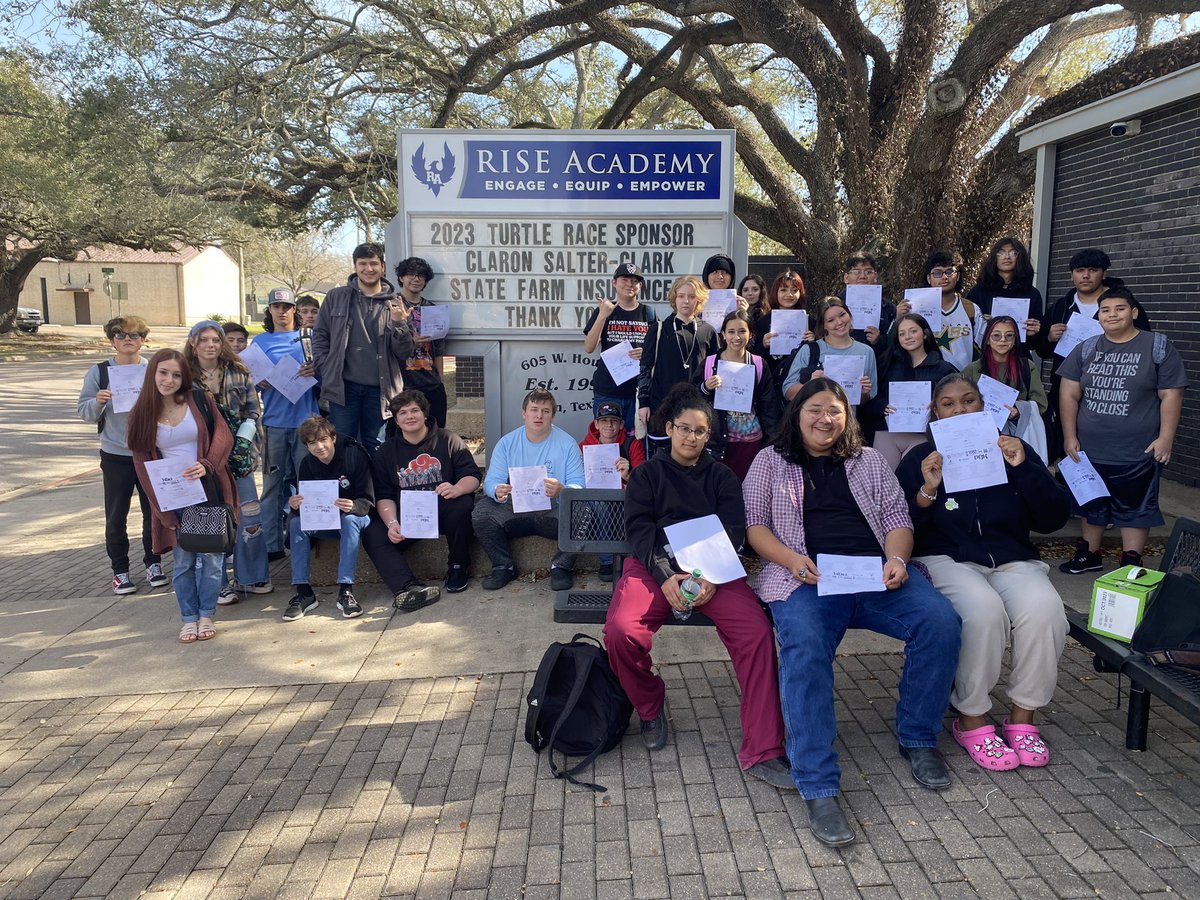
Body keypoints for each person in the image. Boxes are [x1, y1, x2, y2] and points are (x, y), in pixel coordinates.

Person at [743, 379, 961, 847]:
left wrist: (897, 562)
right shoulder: (769, 461)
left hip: (873, 578)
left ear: (848, 417)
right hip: (806, 578)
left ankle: (919, 737)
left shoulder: (868, 462)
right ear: (797, 414)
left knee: (940, 621)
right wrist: (790, 559)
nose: (825, 419)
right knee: (804, 649)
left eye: (835, 411)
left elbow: (898, 521)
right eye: (815, 409)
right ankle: (817, 782)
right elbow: (755, 526)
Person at [603, 384, 790, 788]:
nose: (691, 437)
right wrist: (668, 575)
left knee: (756, 634)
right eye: (684, 428)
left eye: (700, 431)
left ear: (709, 435)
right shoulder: (647, 475)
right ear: (669, 428)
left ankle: (764, 748)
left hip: (713, 572)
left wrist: (703, 578)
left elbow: (734, 531)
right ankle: (650, 707)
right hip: (658, 570)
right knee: (621, 631)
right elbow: (639, 530)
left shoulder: (722, 477)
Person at [896, 374, 1070, 772]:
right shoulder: (921, 457)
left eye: (969, 400)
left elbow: (1053, 517)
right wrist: (927, 490)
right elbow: (900, 528)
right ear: (935, 413)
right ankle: (971, 715)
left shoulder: (1014, 449)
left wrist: (1024, 468)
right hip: (948, 559)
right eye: (948, 404)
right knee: (983, 612)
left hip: (1012, 557)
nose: (960, 409)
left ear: (983, 406)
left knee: (1046, 610)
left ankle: (1023, 718)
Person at [1058, 287, 1187, 574]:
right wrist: (1069, 436)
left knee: (1135, 508)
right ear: (1097, 316)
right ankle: (1090, 554)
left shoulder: (1157, 347)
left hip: (1138, 449)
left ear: (1134, 312)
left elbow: (1171, 395)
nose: (1112, 314)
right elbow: (1068, 394)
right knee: (1092, 503)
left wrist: (1166, 438)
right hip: (1090, 449)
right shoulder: (1087, 348)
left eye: (1119, 308)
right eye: (1105, 310)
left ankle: (1131, 559)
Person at [128, 349, 237, 643]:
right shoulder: (141, 413)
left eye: (176, 374)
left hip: (207, 489)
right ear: (152, 373)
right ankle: (188, 618)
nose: (169, 379)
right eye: (163, 372)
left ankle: (206, 615)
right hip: (173, 497)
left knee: (213, 561)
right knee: (184, 562)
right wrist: (161, 512)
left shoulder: (198, 400)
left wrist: (207, 464)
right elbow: (142, 466)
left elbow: (223, 435)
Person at [364, 390, 481, 610]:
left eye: (414, 410)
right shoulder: (386, 452)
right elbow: (384, 495)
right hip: (408, 518)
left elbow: (473, 477)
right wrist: (392, 523)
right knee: (372, 533)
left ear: (424, 414)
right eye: (403, 413)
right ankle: (408, 587)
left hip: (443, 512)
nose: (409, 416)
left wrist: (457, 488)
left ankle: (458, 566)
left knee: (463, 504)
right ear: (396, 420)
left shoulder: (449, 440)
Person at [1033, 248, 1152, 461]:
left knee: (1104, 449)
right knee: (1068, 446)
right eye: (1080, 270)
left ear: (1104, 273)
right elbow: (1042, 351)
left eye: (1093, 270)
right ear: (1072, 275)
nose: (1085, 276)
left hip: (1110, 388)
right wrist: (1049, 337)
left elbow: (1143, 343)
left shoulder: (1122, 304)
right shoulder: (1061, 306)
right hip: (1066, 387)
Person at [77, 316, 167, 596]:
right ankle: (120, 570)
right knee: (116, 515)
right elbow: (84, 411)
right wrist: (99, 401)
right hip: (115, 454)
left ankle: (153, 563)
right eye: (120, 335)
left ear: (143, 339)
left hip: (149, 451)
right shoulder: (100, 371)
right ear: (111, 340)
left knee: (154, 511)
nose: (127, 340)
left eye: (134, 335)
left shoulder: (153, 369)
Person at [184, 320, 272, 603]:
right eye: (204, 340)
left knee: (250, 516)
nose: (211, 345)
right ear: (193, 343)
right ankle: (218, 583)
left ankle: (252, 575)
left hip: (238, 457)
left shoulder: (238, 372)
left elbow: (253, 412)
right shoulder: (183, 376)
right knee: (213, 519)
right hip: (202, 460)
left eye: (216, 340)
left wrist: (245, 445)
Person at [473, 389, 586, 591]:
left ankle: (561, 566)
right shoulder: (507, 443)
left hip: (553, 511)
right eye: (534, 409)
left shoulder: (567, 444)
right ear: (524, 413)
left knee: (584, 511)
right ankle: (503, 566)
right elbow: (491, 481)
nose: (539, 415)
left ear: (553, 415)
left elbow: (579, 484)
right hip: (515, 509)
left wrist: (562, 489)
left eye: (545, 411)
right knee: (482, 512)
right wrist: (497, 490)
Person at [313, 242, 415, 453]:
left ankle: (375, 488)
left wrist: (398, 323)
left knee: (376, 446)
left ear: (382, 266)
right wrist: (325, 366)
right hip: (343, 388)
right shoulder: (336, 297)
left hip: (380, 392)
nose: (369, 269)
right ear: (355, 266)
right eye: (363, 264)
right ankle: (349, 487)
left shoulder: (396, 303)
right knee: (342, 444)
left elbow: (404, 352)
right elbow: (321, 335)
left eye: (374, 263)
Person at [251, 288, 319, 562]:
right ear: (269, 310)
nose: (282, 311)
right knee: (273, 486)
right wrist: (259, 381)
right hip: (275, 424)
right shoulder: (260, 342)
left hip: (307, 423)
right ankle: (272, 545)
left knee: (309, 484)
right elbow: (250, 381)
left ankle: (310, 538)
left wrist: (317, 371)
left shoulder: (309, 338)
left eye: (287, 306)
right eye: (276, 306)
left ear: (295, 310)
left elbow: (328, 377)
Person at [283, 416, 373, 621]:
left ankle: (345, 591)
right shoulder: (307, 464)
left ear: (333, 437)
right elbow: (304, 508)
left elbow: (368, 499)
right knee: (296, 523)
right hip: (323, 520)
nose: (319, 447)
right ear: (306, 446)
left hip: (356, 517)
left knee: (349, 520)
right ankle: (304, 592)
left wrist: (354, 505)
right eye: (312, 443)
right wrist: (296, 506)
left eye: (323, 440)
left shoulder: (353, 455)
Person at [636, 275, 719, 450]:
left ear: (699, 299)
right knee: (661, 461)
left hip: (696, 408)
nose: (686, 301)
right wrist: (643, 403)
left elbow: (714, 368)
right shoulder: (658, 329)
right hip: (660, 406)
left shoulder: (708, 332)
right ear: (674, 298)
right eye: (681, 296)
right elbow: (645, 368)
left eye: (691, 296)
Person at [699, 310, 782, 480]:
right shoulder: (710, 362)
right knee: (719, 488)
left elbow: (769, 406)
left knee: (748, 488)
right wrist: (706, 387)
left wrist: (771, 443)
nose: (736, 337)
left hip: (750, 441)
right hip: (717, 442)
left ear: (750, 334)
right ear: (723, 334)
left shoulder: (758, 364)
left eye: (742, 331)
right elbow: (692, 397)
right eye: (731, 332)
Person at [870, 313, 957, 469]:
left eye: (913, 331)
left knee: (912, 483)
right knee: (882, 484)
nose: (907, 337)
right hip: (889, 434)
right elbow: (871, 399)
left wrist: (937, 407)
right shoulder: (887, 363)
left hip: (926, 436)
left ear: (925, 334)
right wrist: (883, 406)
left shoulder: (943, 369)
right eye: (902, 334)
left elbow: (955, 403)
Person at [582, 262, 657, 433]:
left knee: (636, 443)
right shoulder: (604, 310)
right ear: (614, 283)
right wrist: (602, 315)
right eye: (625, 279)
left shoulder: (649, 313)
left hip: (638, 393)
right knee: (607, 442)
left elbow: (659, 350)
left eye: (635, 281)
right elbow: (589, 347)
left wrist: (646, 353)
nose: (630, 284)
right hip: (607, 390)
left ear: (641, 286)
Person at [962, 316, 1049, 459]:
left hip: (1017, 436)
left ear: (1015, 340)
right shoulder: (972, 369)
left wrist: (1019, 411)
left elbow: (1041, 403)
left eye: (1009, 336)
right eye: (996, 336)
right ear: (988, 340)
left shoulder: (1026, 367)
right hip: (981, 437)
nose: (1003, 340)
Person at [577, 401, 645, 582]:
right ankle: (607, 561)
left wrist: (628, 475)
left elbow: (643, 484)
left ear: (622, 424)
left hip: (624, 496)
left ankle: (631, 557)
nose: (609, 425)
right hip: (596, 499)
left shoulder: (633, 445)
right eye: (604, 420)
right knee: (599, 504)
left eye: (614, 421)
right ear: (596, 424)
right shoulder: (584, 446)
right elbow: (576, 480)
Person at [895, 251, 982, 372]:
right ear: (928, 278)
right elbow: (896, 346)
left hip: (962, 381)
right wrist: (898, 318)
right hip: (925, 380)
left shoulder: (971, 309)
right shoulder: (913, 309)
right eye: (937, 273)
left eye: (949, 271)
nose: (944, 277)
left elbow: (983, 349)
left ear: (957, 276)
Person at [782, 298, 877, 407]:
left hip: (846, 420)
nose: (839, 322)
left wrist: (863, 393)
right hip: (814, 418)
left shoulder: (866, 352)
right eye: (830, 320)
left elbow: (867, 397)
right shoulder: (809, 350)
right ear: (824, 326)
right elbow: (788, 390)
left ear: (849, 314)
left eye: (842, 315)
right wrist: (811, 385)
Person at [393, 257, 449, 428]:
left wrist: (440, 380)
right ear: (402, 277)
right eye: (411, 274)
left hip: (431, 384)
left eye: (421, 276)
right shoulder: (391, 306)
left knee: (436, 433)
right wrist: (409, 341)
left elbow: (438, 350)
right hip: (402, 385)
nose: (416, 279)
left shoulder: (433, 309)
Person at [965, 237, 1044, 346]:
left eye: (1013, 253)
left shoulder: (1032, 294)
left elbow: (1036, 344)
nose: (1007, 257)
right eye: (1001, 253)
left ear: (1020, 257)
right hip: (986, 356)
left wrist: (1035, 332)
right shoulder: (978, 292)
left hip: (1019, 356)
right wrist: (980, 324)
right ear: (994, 257)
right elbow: (967, 333)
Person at [754, 269, 811, 387]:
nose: (789, 295)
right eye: (783, 290)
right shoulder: (763, 322)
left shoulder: (809, 322)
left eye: (795, 290)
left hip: (799, 382)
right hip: (771, 381)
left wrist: (813, 342)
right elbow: (754, 357)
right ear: (776, 292)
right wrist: (763, 345)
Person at [840, 251, 896, 353]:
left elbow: (895, 339)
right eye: (856, 272)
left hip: (877, 363)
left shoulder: (887, 306)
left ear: (875, 276)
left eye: (868, 272)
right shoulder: (834, 305)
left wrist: (879, 340)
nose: (863, 276)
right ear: (846, 278)